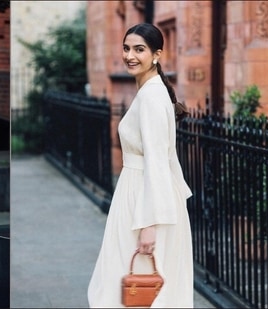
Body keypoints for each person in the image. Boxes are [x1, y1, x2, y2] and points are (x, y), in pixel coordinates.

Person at [87, 23, 193, 308]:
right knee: (129, 283)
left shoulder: (151, 97)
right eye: (126, 48)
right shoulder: (151, 92)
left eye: (139, 49)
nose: (130, 56)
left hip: (145, 202)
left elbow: (158, 162)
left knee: (137, 287)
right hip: (139, 194)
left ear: (157, 54)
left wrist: (149, 224)